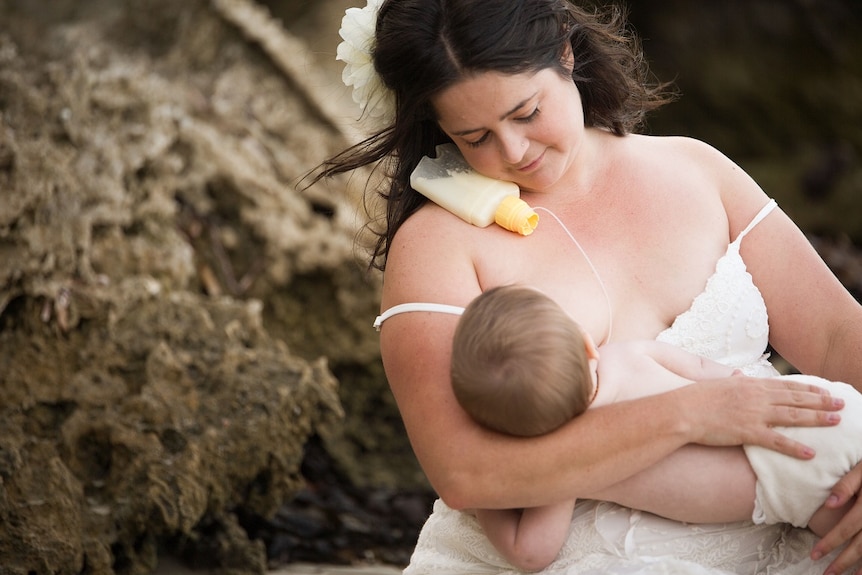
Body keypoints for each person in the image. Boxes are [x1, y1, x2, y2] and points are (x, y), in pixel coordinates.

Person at [315, 0, 862, 573]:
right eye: (475, 137)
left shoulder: (698, 170)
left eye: (526, 113)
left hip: (792, 532)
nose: (514, 152)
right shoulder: (436, 244)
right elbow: (464, 471)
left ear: (565, 51)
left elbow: (834, 335)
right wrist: (692, 413)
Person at [445, 283, 862, 572]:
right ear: (588, 344)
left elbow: (531, 552)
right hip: (807, 400)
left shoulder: (569, 460)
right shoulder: (627, 353)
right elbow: (720, 376)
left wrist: (485, 500)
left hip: (788, 472)